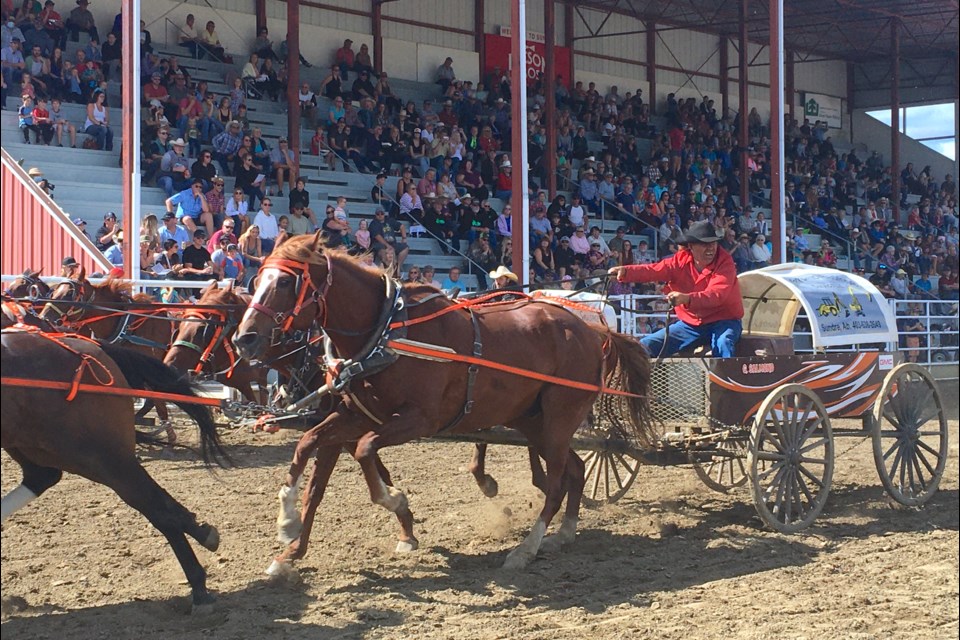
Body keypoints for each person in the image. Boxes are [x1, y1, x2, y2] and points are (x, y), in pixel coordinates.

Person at [608, 220, 744, 358]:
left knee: (723, 343)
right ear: (690, 246)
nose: (711, 248)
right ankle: (641, 379)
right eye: (704, 244)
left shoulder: (725, 262)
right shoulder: (679, 261)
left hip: (724, 320)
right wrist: (625, 272)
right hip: (691, 324)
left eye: (713, 243)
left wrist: (687, 298)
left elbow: (717, 295)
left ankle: (722, 379)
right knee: (644, 345)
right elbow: (653, 270)